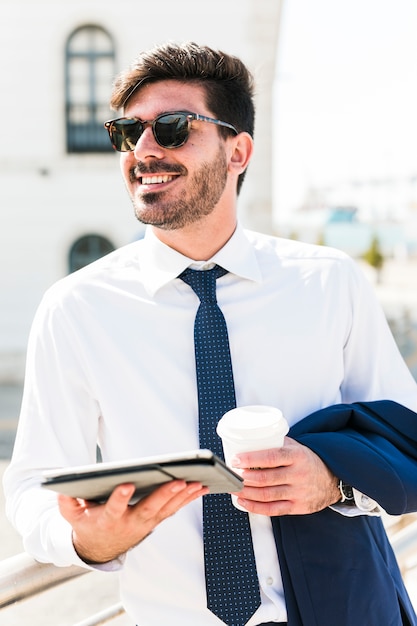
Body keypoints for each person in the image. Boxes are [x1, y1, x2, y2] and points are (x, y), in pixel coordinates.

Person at [3, 41, 417, 626]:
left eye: (173, 128)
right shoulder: (75, 308)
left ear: (238, 151)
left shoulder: (329, 282)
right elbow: (31, 487)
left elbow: (407, 437)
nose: (144, 150)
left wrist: (332, 481)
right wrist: (89, 541)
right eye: (128, 132)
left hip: (345, 609)